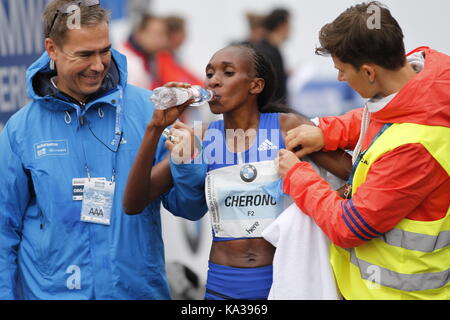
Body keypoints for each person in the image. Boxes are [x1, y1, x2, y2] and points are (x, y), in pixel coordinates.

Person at [0, 0, 205, 300]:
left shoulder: (148, 111)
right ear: (52, 49)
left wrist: (187, 161)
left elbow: (190, 207)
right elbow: (4, 231)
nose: (97, 65)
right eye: (84, 54)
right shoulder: (21, 130)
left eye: (104, 50)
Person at [123, 43, 352, 300]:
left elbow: (357, 176)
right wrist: (155, 128)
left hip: (286, 280)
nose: (214, 82)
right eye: (209, 74)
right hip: (223, 285)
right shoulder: (203, 136)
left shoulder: (287, 127)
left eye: (227, 73)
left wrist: (329, 200)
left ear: (255, 85)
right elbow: (134, 202)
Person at [277, 1, 450, 299]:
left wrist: (296, 175)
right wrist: (326, 132)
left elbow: (349, 226)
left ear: (369, 72)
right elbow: (381, 116)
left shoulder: (417, 147)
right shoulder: (421, 83)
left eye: (342, 70)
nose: (340, 79)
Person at [117, 14, 169, 89]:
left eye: (165, 34)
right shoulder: (127, 62)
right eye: (157, 34)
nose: (163, 40)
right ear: (139, 34)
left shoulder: (150, 57)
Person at [255, 8, 290, 103]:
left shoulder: (271, 50)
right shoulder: (266, 53)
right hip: (272, 112)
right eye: (289, 24)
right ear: (281, 26)